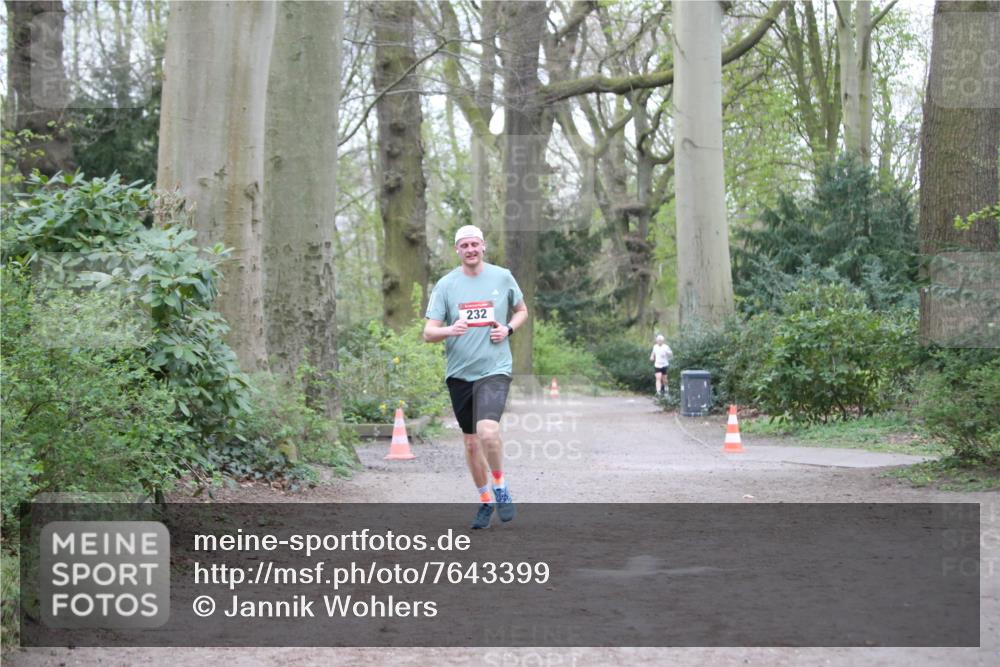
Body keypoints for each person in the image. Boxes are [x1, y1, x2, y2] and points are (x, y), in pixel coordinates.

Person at [423, 225, 529, 529]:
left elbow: (522, 310)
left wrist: (508, 328)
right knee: (471, 443)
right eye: (464, 245)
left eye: (475, 244)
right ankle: (485, 500)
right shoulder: (446, 285)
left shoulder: (502, 276)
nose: (470, 250)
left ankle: (501, 487)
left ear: (483, 246)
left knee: (488, 433)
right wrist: (449, 330)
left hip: (494, 368)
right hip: (459, 374)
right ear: (458, 250)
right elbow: (429, 332)